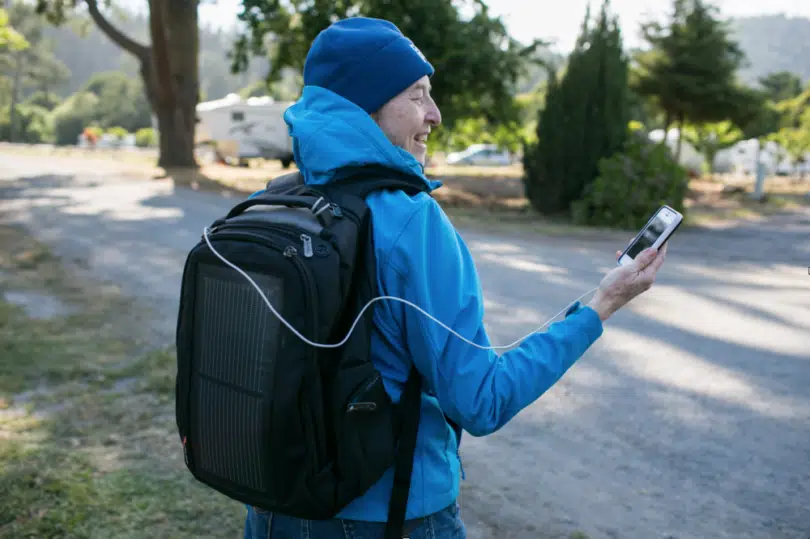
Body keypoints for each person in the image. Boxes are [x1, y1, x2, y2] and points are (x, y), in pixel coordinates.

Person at [243, 16, 668, 539]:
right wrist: (601, 304)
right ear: (365, 103)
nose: (435, 114)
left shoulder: (276, 199)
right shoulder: (410, 222)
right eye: (418, 95)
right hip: (389, 517)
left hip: (272, 508)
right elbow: (482, 400)